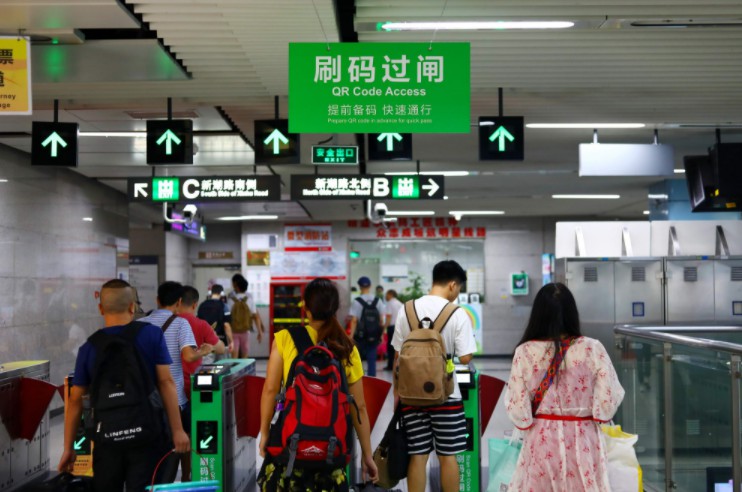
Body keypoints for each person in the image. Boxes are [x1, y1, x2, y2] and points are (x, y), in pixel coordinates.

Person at [57, 279, 190, 491]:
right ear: (132, 307)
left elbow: (74, 401)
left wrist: (68, 448)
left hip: (107, 440)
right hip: (148, 436)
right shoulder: (151, 335)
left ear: (100, 309)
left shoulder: (89, 347)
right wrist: (178, 430)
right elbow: (166, 383)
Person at [258, 278, 378, 490]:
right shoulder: (346, 347)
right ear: (335, 308)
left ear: (305, 306)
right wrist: (367, 455)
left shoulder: (284, 338)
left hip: (291, 446)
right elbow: (358, 406)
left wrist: (265, 433)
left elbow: (270, 390)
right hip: (332, 448)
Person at [505, 282, 625, 491]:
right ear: (571, 313)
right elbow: (608, 400)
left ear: (538, 314)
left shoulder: (524, 352)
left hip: (541, 441)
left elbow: (517, 408)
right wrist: (595, 412)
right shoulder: (592, 348)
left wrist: (527, 419)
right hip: (584, 439)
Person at [391, 260, 477, 492]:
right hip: (446, 395)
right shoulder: (457, 313)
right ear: (452, 285)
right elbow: (465, 358)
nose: (457, 293)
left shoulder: (406, 310)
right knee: (448, 456)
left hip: (411, 395)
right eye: (459, 288)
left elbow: (397, 357)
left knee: (418, 455)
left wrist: (397, 395)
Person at [140, 281, 214, 482]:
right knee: (183, 437)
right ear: (179, 302)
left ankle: (153, 479)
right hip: (176, 398)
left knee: (151, 443)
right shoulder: (181, 323)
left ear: (157, 300)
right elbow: (189, 356)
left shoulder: (141, 323)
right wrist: (204, 351)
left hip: (147, 397)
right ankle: (186, 477)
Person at [178, 285, 225, 482]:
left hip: (169, 388)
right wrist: (207, 347)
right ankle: (188, 475)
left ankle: (173, 475)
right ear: (195, 304)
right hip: (191, 389)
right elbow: (221, 348)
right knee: (191, 433)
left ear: (178, 302)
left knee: (175, 432)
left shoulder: (170, 322)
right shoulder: (200, 324)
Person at [349, 276, 385, 377]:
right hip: (374, 334)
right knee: (372, 359)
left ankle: (360, 380)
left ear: (359, 286)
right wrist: (381, 335)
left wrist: (351, 335)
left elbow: (354, 320)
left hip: (360, 335)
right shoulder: (378, 301)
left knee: (358, 358)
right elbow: (381, 320)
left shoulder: (357, 301)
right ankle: (372, 380)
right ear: (370, 286)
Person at [227, 273, 264, 358]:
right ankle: (244, 366)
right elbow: (256, 316)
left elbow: (227, 317)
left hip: (233, 330)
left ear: (236, 287)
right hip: (245, 330)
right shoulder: (249, 299)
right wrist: (260, 331)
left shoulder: (230, 300)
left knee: (234, 355)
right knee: (245, 352)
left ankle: (234, 366)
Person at [197, 283, 233, 360]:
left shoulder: (202, 305)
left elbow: (198, 323)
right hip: (220, 341)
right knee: (221, 365)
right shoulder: (224, 306)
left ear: (211, 293)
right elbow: (226, 325)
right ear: (222, 293)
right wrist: (231, 341)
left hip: (205, 343)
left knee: (207, 366)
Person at [383, 289, 403, 371]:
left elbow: (388, 317)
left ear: (390, 294)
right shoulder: (400, 303)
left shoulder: (390, 303)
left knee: (391, 347)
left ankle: (390, 365)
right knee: (398, 347)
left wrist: (384, 328)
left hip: (392, 327)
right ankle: (398, 365)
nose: (385, 296)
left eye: (386, 294)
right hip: (400, 327)